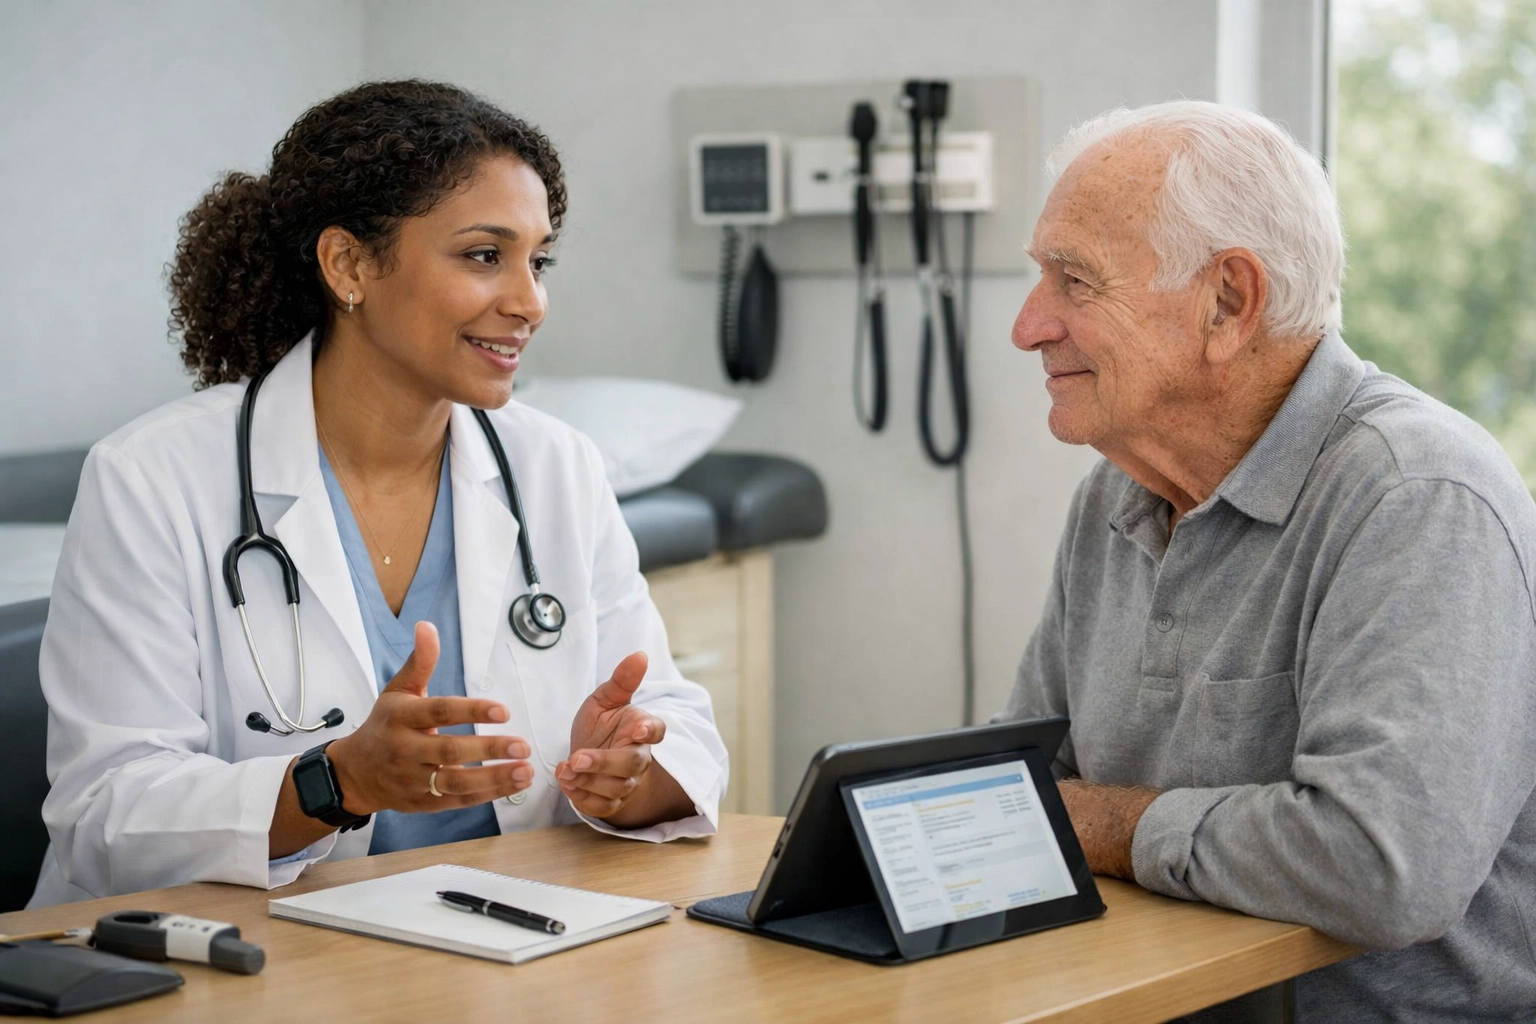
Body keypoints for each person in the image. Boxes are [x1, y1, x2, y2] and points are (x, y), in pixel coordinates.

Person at [30, 80, 727, 908]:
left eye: (538, 261)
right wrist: (337, 783)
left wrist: (629, 772)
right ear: (349, 265)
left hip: (508, 939)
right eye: (483, 255)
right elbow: (103, 813)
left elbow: (675, 725)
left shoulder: (555, 468)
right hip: (246, 958)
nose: (529, 302)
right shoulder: (153, 478)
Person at [998, 100, 1536, 1022]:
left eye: (1074, 281)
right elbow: (1016, 791)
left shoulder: (1417, 494)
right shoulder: (1116, 493)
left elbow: (1381, 867)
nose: (1028, 325)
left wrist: (1102, 823)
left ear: (1228, 302)